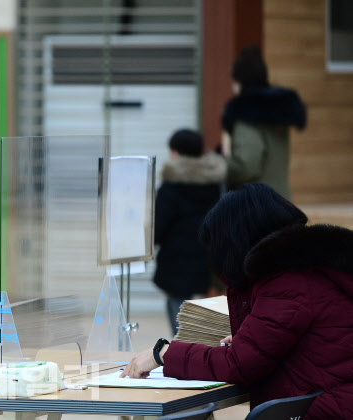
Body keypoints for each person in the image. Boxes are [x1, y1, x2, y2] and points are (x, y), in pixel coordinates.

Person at [122, 183, 353, 418]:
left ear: (236, 241)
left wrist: (162, 354)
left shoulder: (287, 282)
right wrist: (251, 339)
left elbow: (239, 365)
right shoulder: (307, 269)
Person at [153, 129, 225, 336]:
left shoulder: (171, 185)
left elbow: (159, 225)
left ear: (175, 152)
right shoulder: (216, 183)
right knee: (208, 311)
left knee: (177, 307)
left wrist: (151, 241)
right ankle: (202, 350)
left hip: (177, 259)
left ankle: (181, 350)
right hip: (208, 258)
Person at [223, 46, 306, 199]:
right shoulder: (278, 112)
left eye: (234, 80)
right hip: (281, 201)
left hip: (256, 207)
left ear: (240, 81)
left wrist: (220, 166)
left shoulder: (246, 115)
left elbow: (246, 166)